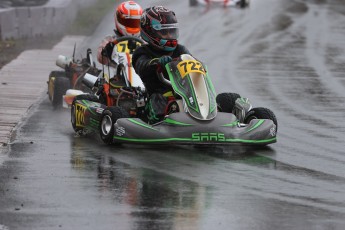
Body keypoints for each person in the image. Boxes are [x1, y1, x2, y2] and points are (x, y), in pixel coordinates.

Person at [132, 6, 192, 123]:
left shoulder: (180, 49)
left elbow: (192, 63)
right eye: (164, 32)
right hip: (157, 95)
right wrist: (156, 62)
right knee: (159, 99)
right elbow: (141, 66)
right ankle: (160, 123)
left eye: (171, 31)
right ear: (150, 31)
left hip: (183, 92)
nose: (169, 36)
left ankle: (208, 114)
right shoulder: (142, 52)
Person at [97, 1, 143, 65]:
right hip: (115, 72)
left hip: (139, 72)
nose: (132, 25)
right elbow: (101, 59)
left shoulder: (144, 41)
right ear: (117, 19)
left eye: (135, 22)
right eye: (128, 22)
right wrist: (107, 51)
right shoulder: (110, 40)